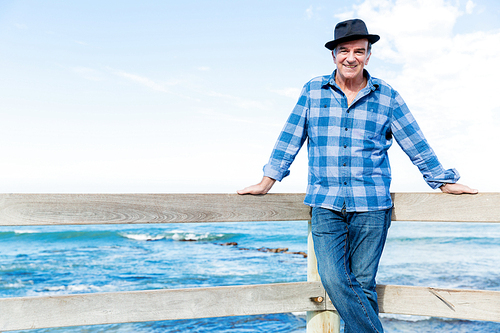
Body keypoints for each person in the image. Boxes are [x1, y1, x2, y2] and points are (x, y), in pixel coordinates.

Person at [237, 19, 478, 332]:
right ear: (334, 54)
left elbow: (415, 141)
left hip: (372, 205)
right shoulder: (313, 90)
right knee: (335, 280)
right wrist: (267, 181)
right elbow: (290, 137)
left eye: (359, 51)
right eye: (344, 51)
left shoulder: (387, 96)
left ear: (368, 55)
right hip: (326, 203)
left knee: (363, 286)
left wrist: (441, 180)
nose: (351, 57)